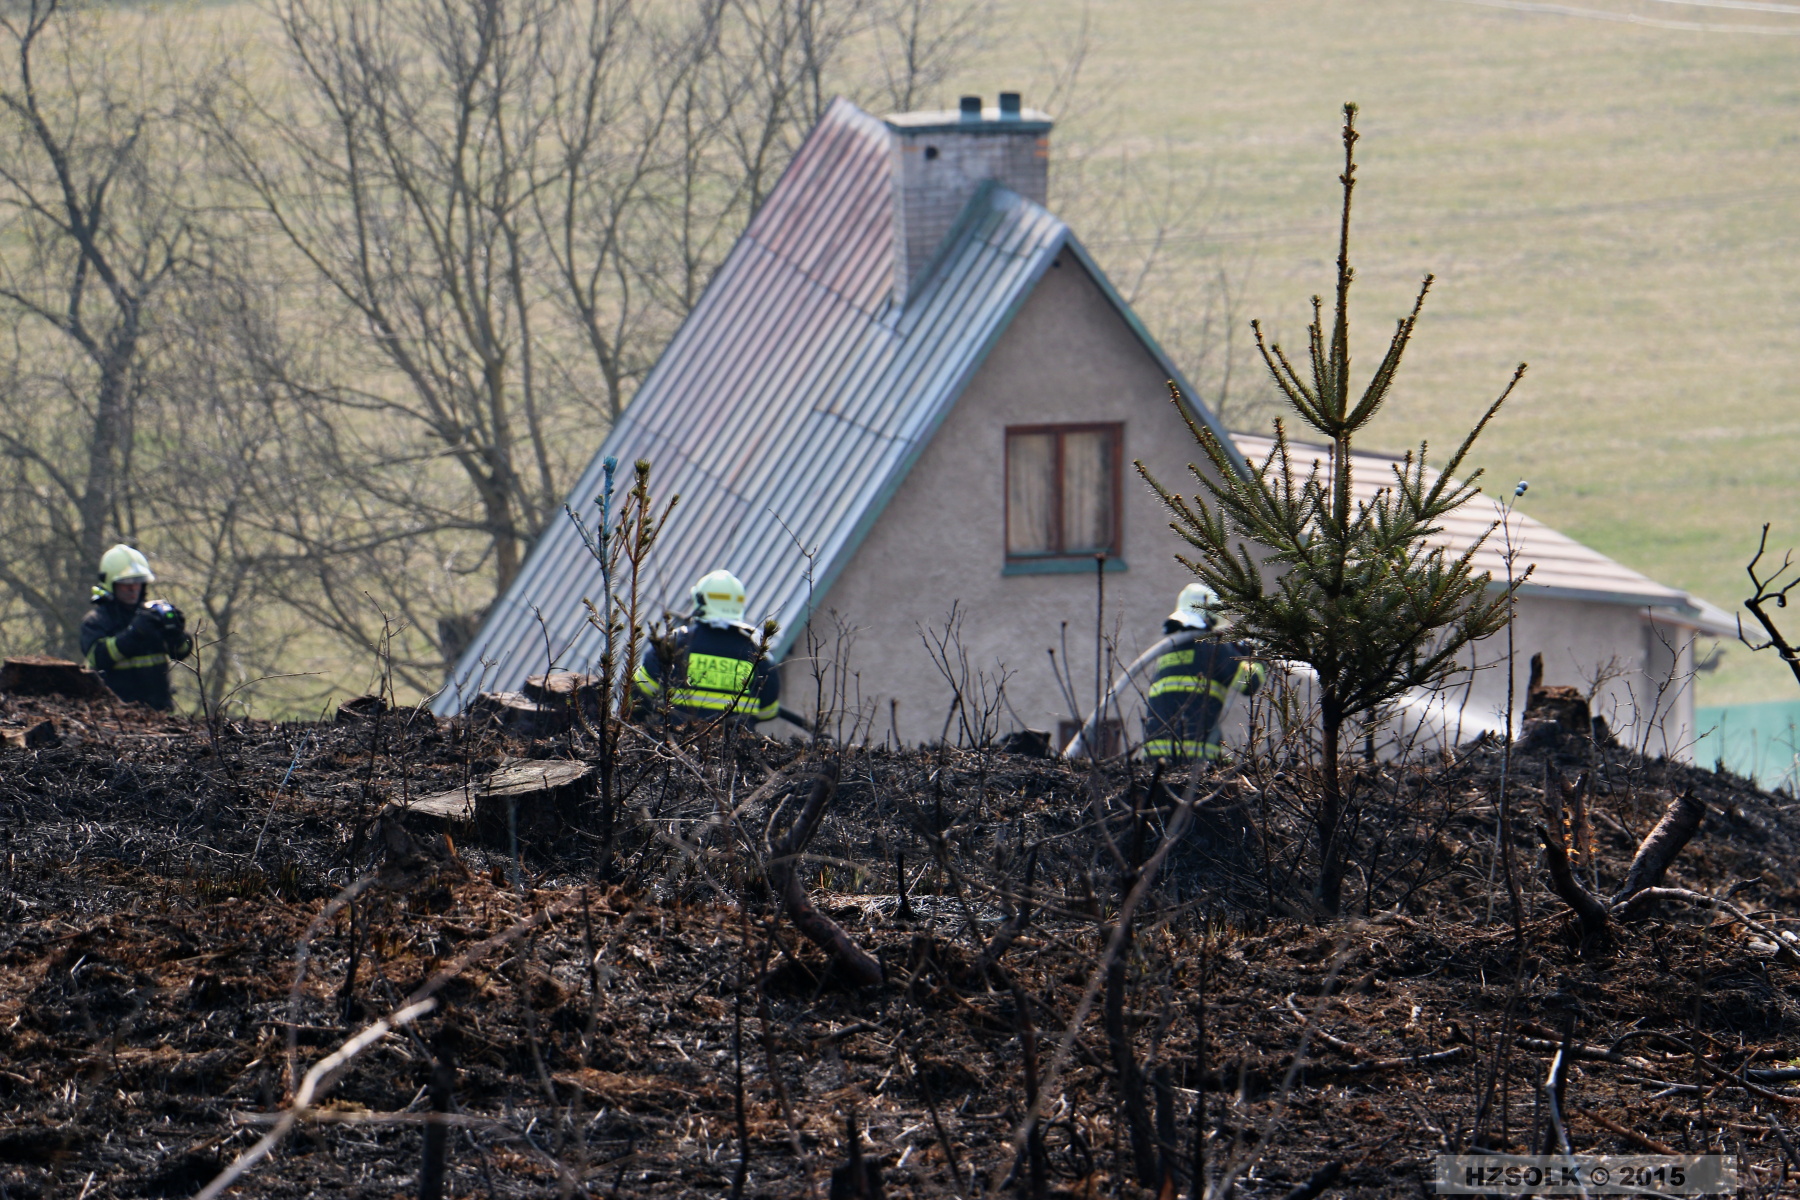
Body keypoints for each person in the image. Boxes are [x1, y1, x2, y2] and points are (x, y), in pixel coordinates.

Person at [633, 569, 778, 725]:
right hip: (735, 747)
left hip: (673, 744)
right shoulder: (758, 652)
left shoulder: (671, 644)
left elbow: (637, 695)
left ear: (699, 601)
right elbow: (768, 711)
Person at [1142, 582, 1265, 766]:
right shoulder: (1212, 647)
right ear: (1212, 620)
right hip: (1195, 757)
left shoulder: (1169, 650)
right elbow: (1249, 683)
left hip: (1155, 758)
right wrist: (1255, 657)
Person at [79, 544, 192, 711]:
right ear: (111, 583)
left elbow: (180, 653)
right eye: (126, 583)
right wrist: (134, 634)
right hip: (115, 717)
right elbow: (99, 657)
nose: (133, 589)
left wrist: (177, 634)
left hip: (160, 714)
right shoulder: (95, 621)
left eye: (138, 582)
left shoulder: (153, 617)